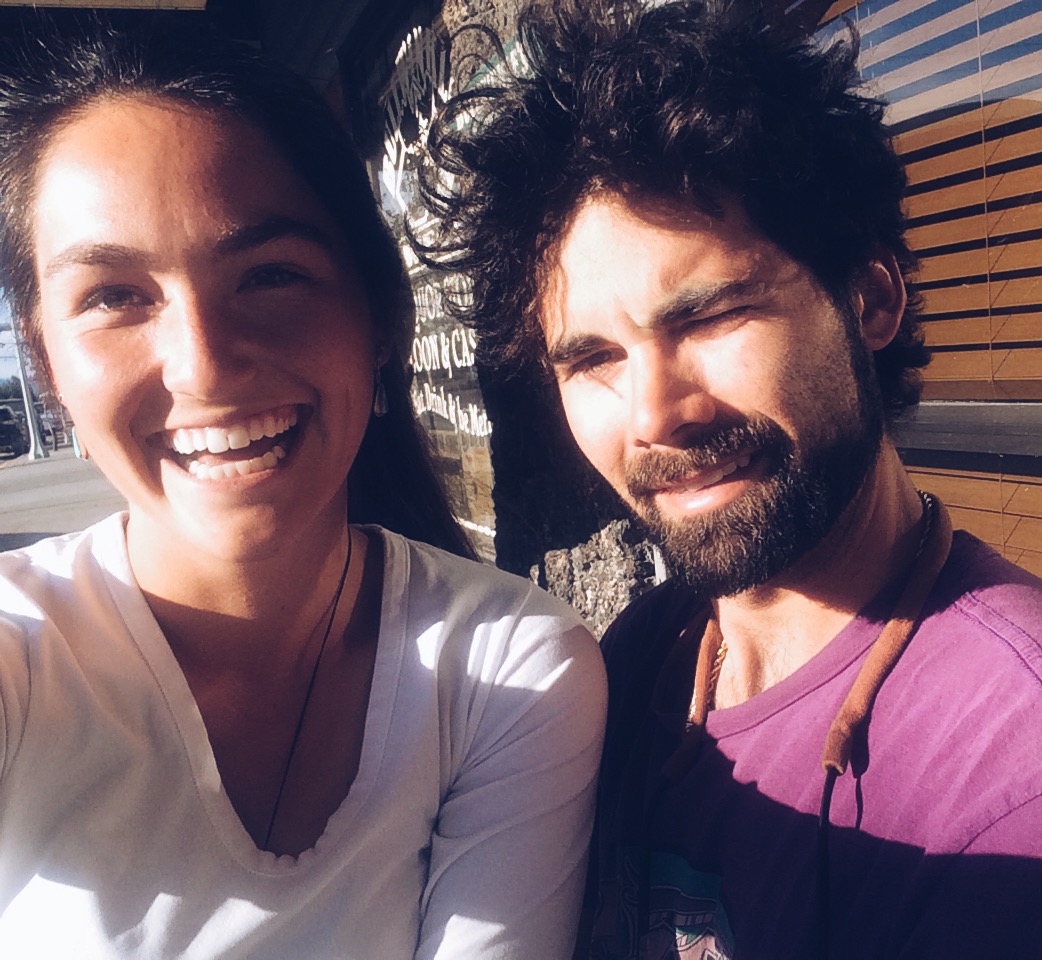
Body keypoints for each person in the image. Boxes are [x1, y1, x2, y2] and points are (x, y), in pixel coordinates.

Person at [415, 1, 1042, 957]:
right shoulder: (648, 656)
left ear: (869, 300)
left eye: (711, 317)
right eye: (593, 359)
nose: (654, 413)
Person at [0, 21, 605, 959]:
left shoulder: (509, 671)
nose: (203, 364)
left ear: (381, 319)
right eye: (114, 296)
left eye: (271, 274)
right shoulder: (25, 652)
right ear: (46, 367)